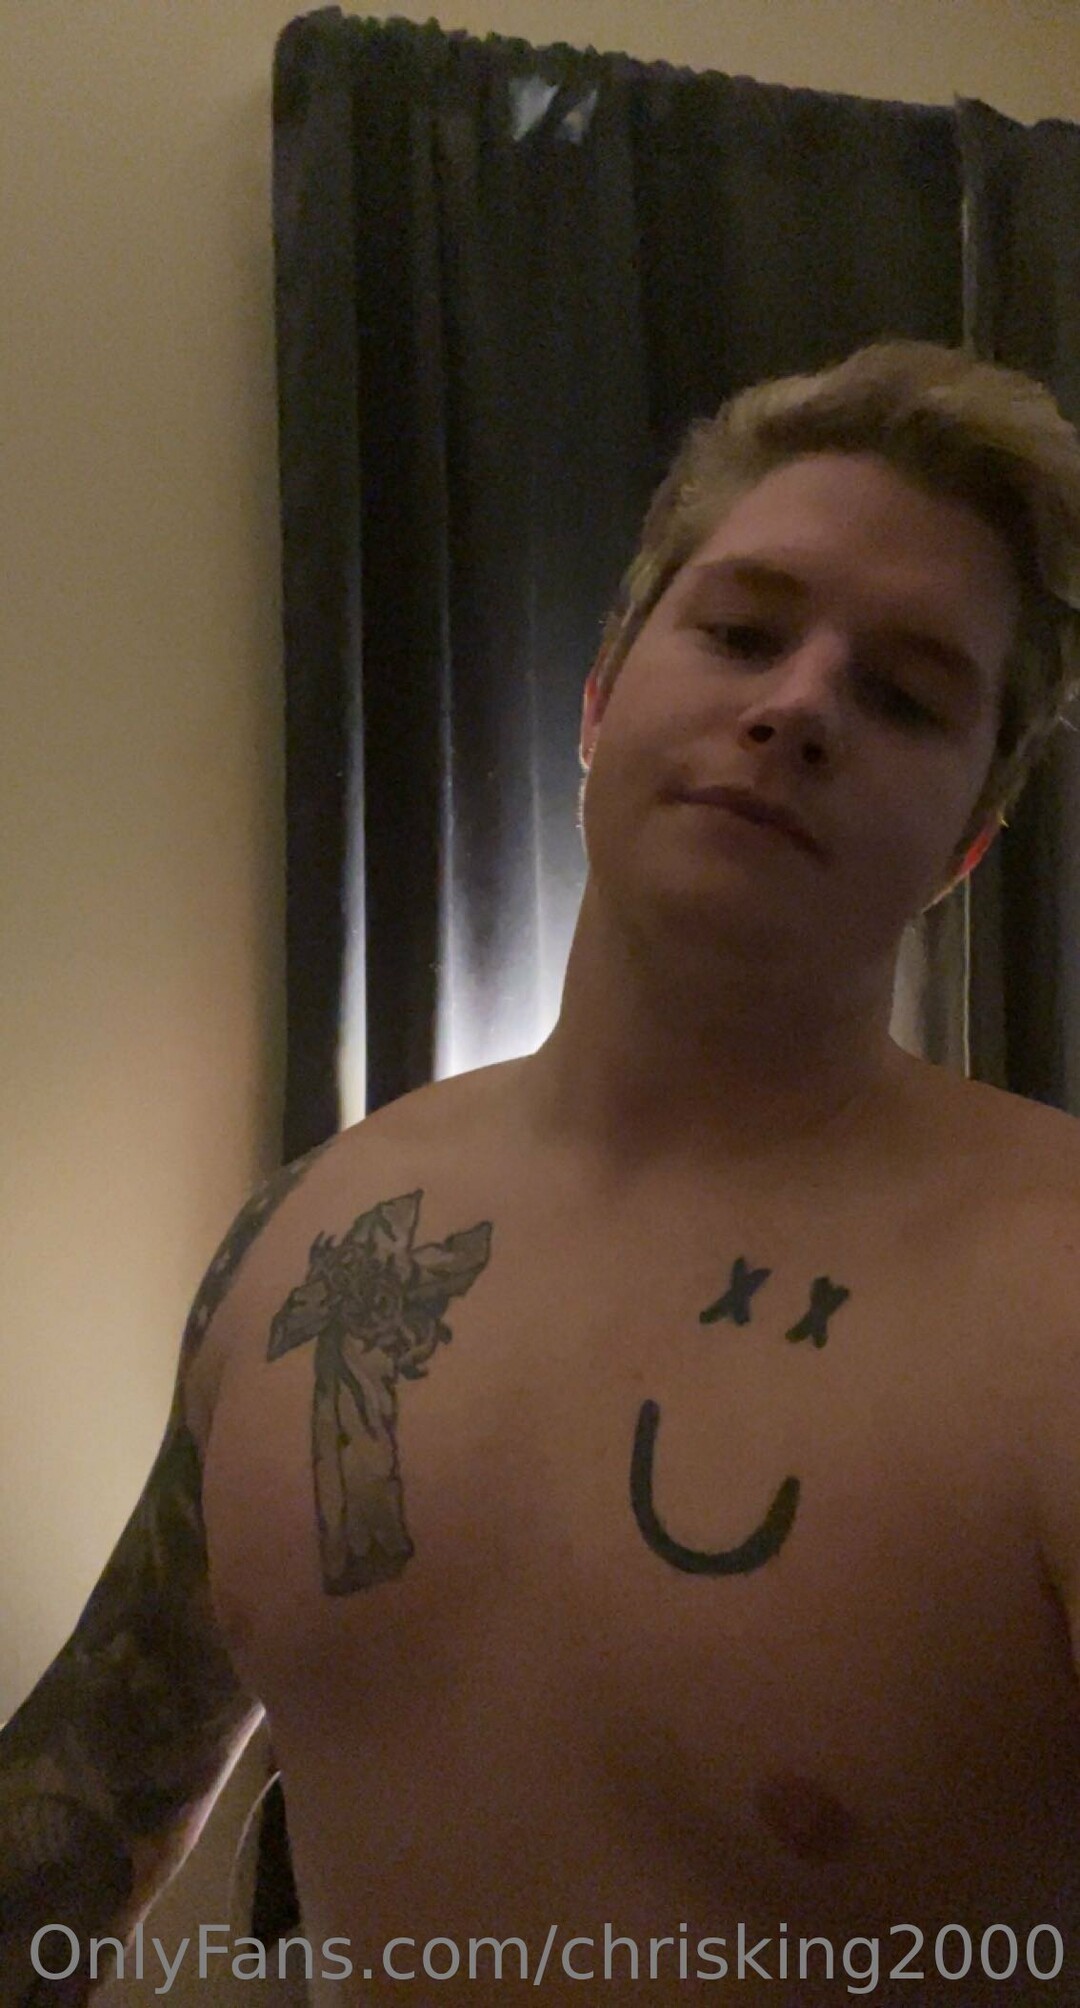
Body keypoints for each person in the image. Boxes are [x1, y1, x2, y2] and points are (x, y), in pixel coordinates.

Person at [5, 339, 1080, 2007]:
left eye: (905, 696)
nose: (800, 705)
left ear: (966, 845)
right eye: (743, 630)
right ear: (598, 697)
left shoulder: (1050, 1293)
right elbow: (72, 1811)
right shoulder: (319, 1242)